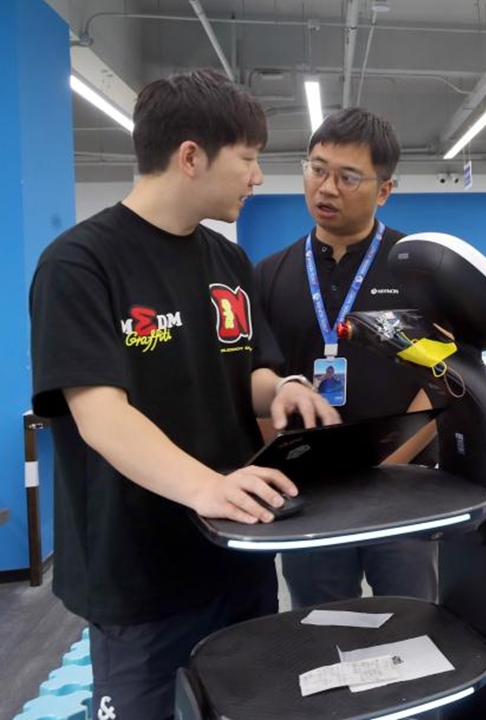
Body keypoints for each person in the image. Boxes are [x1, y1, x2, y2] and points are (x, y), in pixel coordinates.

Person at [29, 69, 340, 720]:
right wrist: (206, 486)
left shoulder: (229, 264)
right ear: (191, 157)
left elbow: (247, 369)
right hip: (140, 574)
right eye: (248, 159)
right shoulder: (80, 264)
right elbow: (100, 414)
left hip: (237, 552)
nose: (258, 177)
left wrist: (283, 389)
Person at [254, 108, 439, 609]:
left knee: (410, 618)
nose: (326, 188)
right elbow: (257, 376)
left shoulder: (419, 267)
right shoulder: (269, 275)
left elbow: (444, 378)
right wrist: (284, 464)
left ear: (384, 190)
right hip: (310, 491)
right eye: (317, 170)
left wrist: (387, 465)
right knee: (319, 622)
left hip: (403, 487)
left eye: (348, 177)